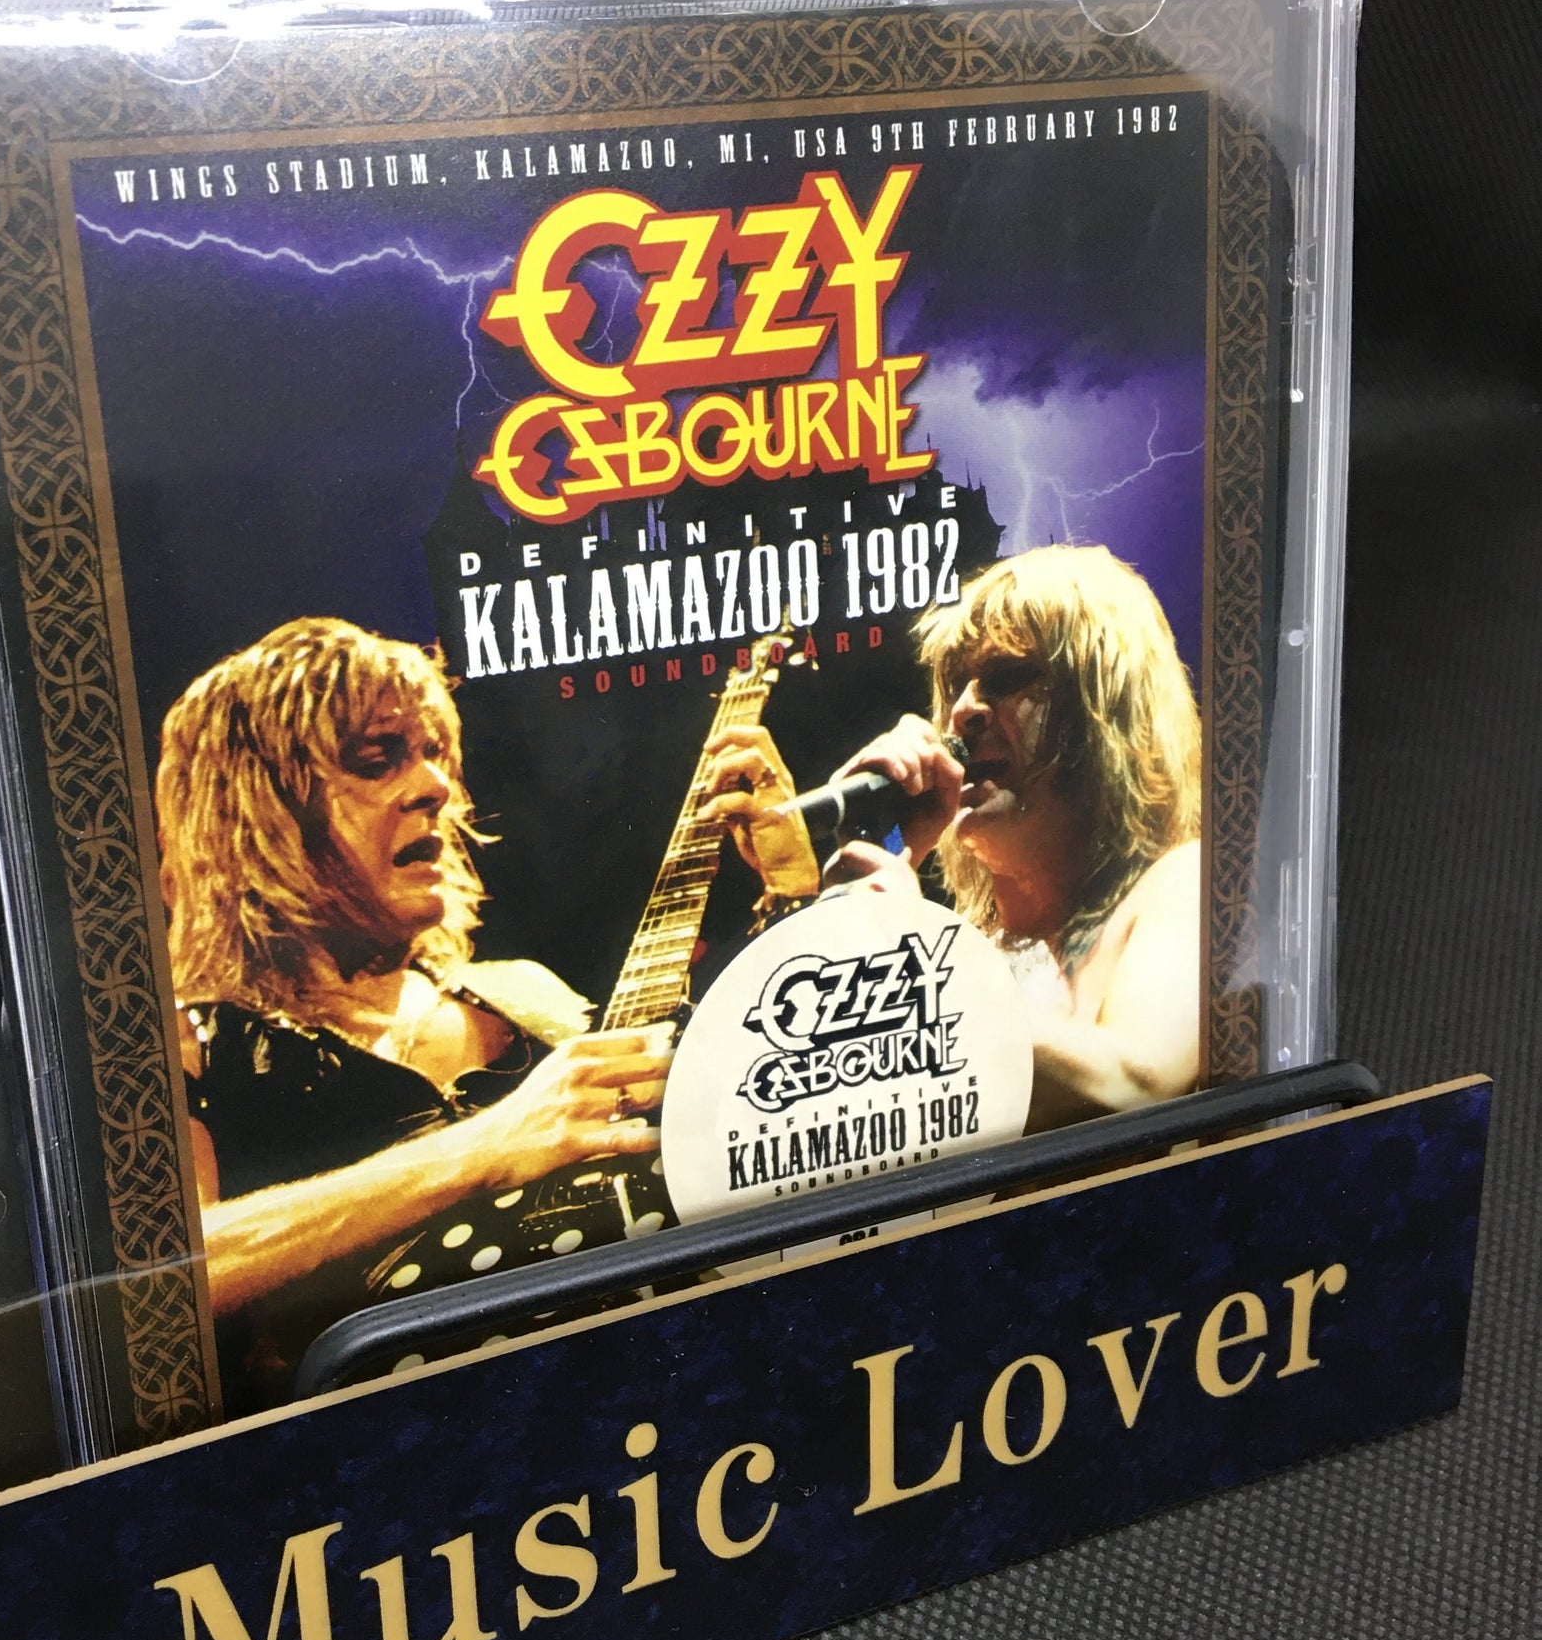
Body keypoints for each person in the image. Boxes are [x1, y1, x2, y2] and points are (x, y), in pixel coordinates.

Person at [156, 615, 670, 1409]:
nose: (435, 787)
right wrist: (484, 1148)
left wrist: (795, 899)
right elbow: (159, 1284)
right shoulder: (189, 1043)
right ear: (257, 812)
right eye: (378, 759)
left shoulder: (523, 994)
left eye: (433, 753)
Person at [699, 543, 1203, 1131]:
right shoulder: (973, 952)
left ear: (1106, 709)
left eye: (1007, 677)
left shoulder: (1183, 881)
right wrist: (878, 849)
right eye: (957, 686)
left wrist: (912, 954)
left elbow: (1138, 1085)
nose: (963, 711)